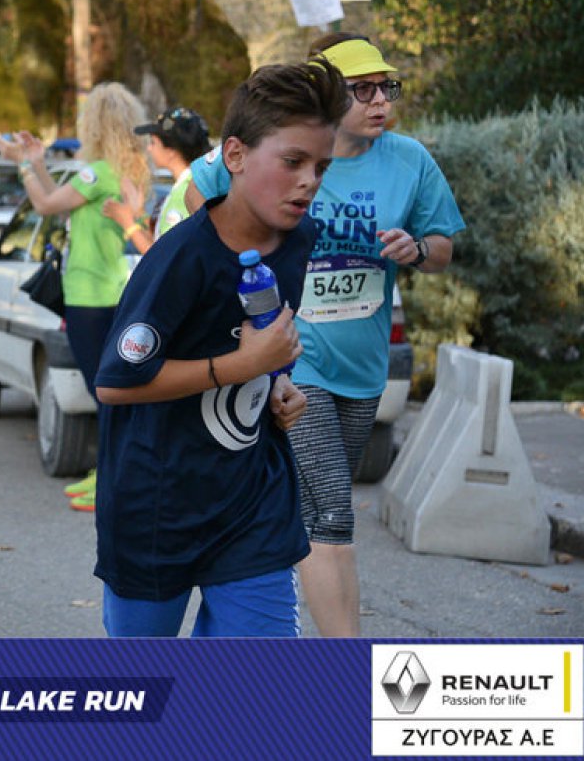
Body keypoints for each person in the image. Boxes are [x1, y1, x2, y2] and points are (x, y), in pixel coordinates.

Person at [185, 34, 466, 636]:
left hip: (363, 364)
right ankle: (345, 664)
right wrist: (243, 258)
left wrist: (416, 249)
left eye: (386, 87)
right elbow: (198, 188)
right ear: (329, 96)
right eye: (362, 90)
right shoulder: (289, 148)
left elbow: (443, 246)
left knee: (307, 510)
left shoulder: (409, 160)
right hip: (292, 358)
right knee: (332, 513)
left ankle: (258, 603)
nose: (379, 101)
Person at [94, 59, 349, 637]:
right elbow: (115, 384)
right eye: (292, 162)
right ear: (234, 155)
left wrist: (277, 382)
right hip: (156, 506)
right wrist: (242, 366)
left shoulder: (300, 238)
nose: (309, 181)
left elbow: (261, 337)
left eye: (321, 166)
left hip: (251, 503)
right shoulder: (180, 259)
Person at [0, 82, 152, 514]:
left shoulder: (96, 172)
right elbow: (60, 202)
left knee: (104, 392)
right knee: (110, 391)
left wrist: (23, 165)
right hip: (112, 291)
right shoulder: (124, 172)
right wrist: (37, 162)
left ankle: (112, 481)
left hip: (89, 297)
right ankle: (109, 474)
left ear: (96, 125)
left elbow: (45, 206)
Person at [119, 106, 211, 239]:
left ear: (171, 151)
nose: (149, 148)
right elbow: (163, 238)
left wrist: (126, 222)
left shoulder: (186, 193)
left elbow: (165, 250)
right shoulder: (192, 184)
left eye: (153, 142)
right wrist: (139, 213)